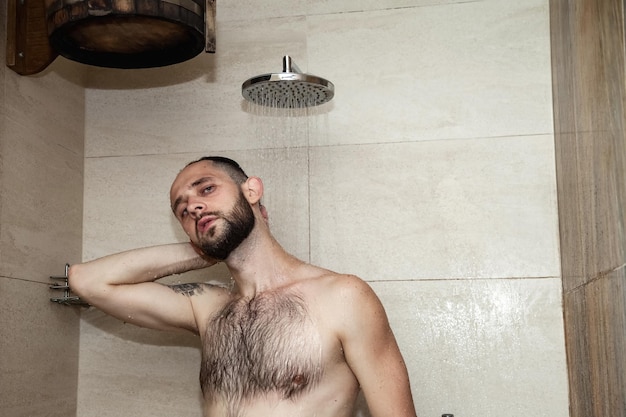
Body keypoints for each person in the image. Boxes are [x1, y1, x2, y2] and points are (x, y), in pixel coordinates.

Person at [69, 156, 417, 417]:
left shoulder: (342, 297)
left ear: (251, 190)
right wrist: (200, 251)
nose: (193, 206)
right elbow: (87, 281)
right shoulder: (209, 308)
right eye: (182, 211)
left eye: (206, 189)